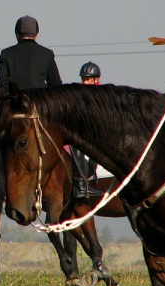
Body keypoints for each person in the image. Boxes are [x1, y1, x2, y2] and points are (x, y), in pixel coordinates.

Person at [0, 15, 62, 91]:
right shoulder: (47, 54)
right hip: (40, 100)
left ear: (17, 34)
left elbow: (1, 81)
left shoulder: (6, 53)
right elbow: (56, 83)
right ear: (36, 35)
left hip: (16, 101)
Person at [68, 61, 104, 199]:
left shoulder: (102, 96)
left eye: (87, 79)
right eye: (83, 78)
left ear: (96, 79)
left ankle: (82, 184)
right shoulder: (80, 95)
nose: (84, 82)